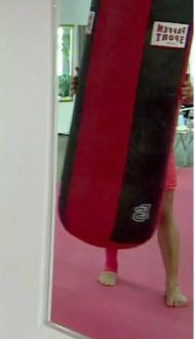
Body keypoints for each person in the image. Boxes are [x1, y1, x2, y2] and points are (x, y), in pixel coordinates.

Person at [71, 73, 192, 307]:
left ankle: (173, 285)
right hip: (120, 143)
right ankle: (111, 264)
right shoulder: (123, 51)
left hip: (158, 145)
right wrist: (85, 86)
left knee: (165, 212)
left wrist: (189, 93)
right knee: (116, 207)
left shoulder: (170, 55)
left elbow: (185, 96)